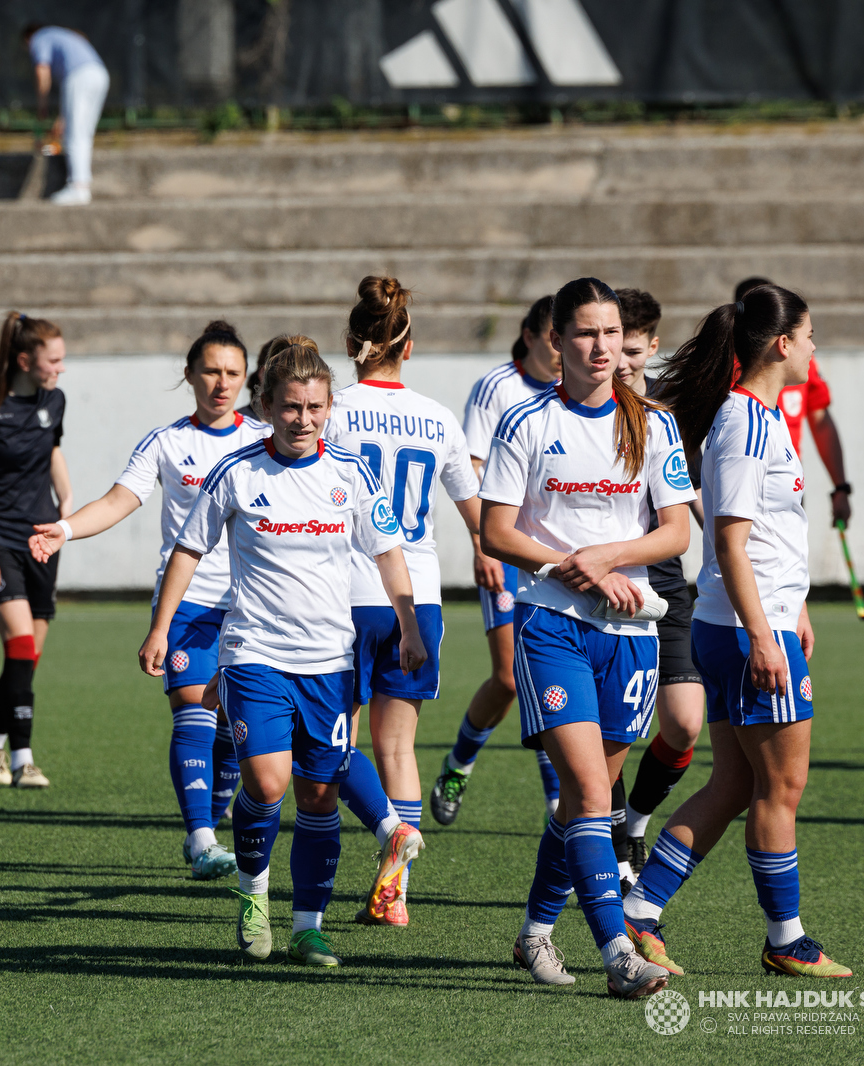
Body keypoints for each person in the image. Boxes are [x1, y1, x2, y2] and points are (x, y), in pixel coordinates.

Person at [140, 341, 426, 969]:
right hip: (253, 651)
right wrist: (162, 628)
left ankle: (308, 927)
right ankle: (253, 893)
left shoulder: (351, 474)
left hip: (330, 658)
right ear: (266, 406)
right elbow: (188, 551)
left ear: (329, 409)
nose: (304, 419)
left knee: (319, 795)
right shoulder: (237, 473)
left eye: (316, 407)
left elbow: (387, 553)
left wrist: (408, 624)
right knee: (267, 783)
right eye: (291, 407)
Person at [624, 283, 853, 979]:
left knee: (730, 783)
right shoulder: (747, 421)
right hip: (747, 630)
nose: (814, 349)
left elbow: (770, 536)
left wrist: (796, 606)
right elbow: (728, 541)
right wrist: (764, 633)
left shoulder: (756, 416)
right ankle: (786, 939)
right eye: (809, 337)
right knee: (779, 790)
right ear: (782, 344)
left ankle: (641, 910)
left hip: (751, 621)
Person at [480, 277, 693, 999]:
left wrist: (604, 560)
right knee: (590, 791)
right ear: (555, 341)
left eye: (610, 333)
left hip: (631, 631)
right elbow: (496, 530)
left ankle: (536, 932)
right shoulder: (526, 423)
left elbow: (676, 529)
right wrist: (563, 570)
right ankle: (615, 953)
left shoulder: (653, 423)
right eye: (585, 334)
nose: (601, 348)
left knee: (584, 799)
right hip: (551, 625)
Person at [31, 320, 268, 878]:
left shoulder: (264, 442)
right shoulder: (167, 442)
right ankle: (203, 837)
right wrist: (63, 529)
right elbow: (118, 501)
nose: (221, 382)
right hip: (185, 605)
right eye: (210, 370)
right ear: (188, 374)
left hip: (255, 608)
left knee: (237, 730)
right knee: (195, 712)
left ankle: (208, 825)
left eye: (233, 372)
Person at [323, 276, 482, 926]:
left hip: (342, 594)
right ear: (408, 347)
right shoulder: (438, 417)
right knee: (398, 749)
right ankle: (396, 893)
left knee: (332, 747)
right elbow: (480, 517)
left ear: (351, 341)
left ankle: (336, 874)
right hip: (417, 600)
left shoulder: (327, 409)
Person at [432, 295, 563, 825]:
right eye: (553, 337)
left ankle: (560, 799)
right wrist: (483, 544)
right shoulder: (498, 388)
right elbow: (472, 470)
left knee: (547, 673)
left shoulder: (574, 389)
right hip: (506, 548)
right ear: (528, 335)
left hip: (556, 551)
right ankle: (459, 763)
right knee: (510, 678)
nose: (561, 349)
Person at [612, 289, 706, 883]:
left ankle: (635, 820)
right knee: (609, 732)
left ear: (650, 346)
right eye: (609, 344)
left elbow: (693, 500)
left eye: (631, 348)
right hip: (598, 586)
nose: (619, 359)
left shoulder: (668, 418)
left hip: (665, 584)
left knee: (685, 724)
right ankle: (614, 851)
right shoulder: (573, 411)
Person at [0, 313, 70, 789]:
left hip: (43, 538)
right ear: (26, 360)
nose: (61, 369)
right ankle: (24, 756)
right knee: (21, 646)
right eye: (54, 360)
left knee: (28, 659)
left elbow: (52, 450)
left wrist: (66, 502)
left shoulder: (55, 401)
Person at [734, 277, 851, 530]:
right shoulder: (739, 400)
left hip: (786, 480)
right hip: (749, 483)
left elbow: (821, 423)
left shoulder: (801, 369)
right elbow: (730, 546)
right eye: (807, 336)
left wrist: (840, 486)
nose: (813, 347)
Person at [24, 23, 109, 206]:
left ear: (28, 38)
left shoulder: (39, 38)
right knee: (83, 133)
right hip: (100, 74)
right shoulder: (62, 35)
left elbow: (42, 70)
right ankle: (81, 185)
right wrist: (62, 118)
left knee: (75, 134)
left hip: (79, 76)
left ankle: (78, 188)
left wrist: (42, 104)